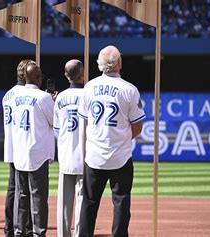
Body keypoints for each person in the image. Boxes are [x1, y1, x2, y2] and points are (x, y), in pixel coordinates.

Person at [78, 45, 145, 237]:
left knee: (89, 202)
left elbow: (85, 121)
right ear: (120, 64)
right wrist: (123, 137)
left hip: (94, 156)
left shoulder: (89, 87)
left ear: (99, 65)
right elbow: (138, 126)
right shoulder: (129, 90)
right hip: (120, 156)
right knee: (121, 202)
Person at [11, 63, 54, 237]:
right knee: (38, 197)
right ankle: (38, 232)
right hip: (38, 152)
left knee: (21, 196)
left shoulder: (14, 97)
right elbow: (55, 120)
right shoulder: (44, 97)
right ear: (38, 78)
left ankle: (19, 231)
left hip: (20, 151)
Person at [2, 59, 34, 237]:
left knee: (13, 188)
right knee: (25, 190)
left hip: (11, 142)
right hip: (23, 143)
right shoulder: (25, 93)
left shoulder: (8, 93)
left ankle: (9, 227)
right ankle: (23, 227)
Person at [54, 59, 85, 237]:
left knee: (64, 201)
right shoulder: (89, 94)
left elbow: (57, 130)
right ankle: (79, 234)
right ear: (82, 75)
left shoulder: (60, 98)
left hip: (66, 153)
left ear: (66, 76)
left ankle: (63, 234)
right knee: (82, 199)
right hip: (85, 154)